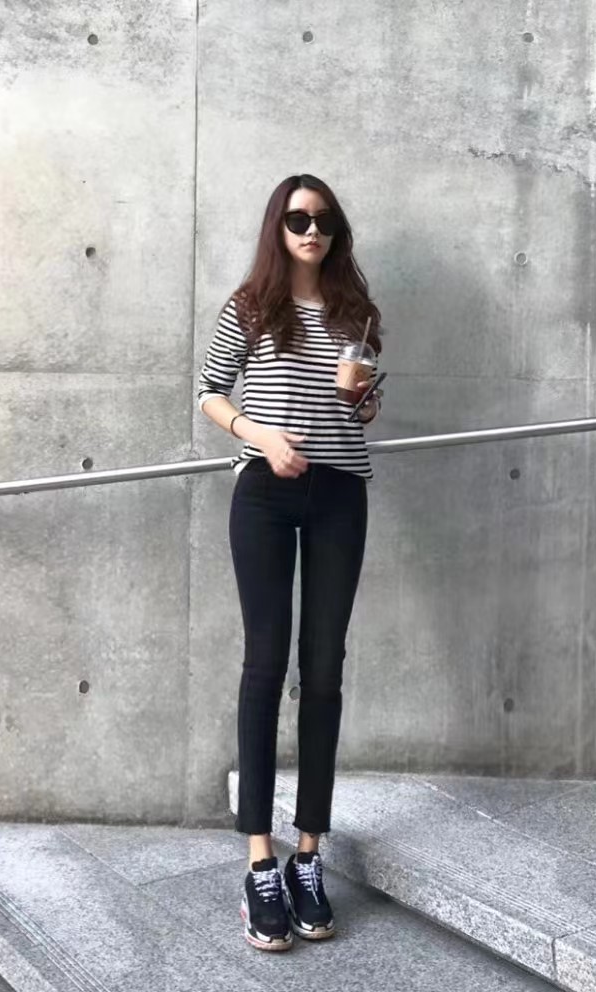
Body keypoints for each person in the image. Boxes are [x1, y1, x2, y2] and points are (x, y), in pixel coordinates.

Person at [196, 174, 383, 952]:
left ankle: (308, 854)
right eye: (299, 219)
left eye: (324, 220)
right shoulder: (249, 306)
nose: (312, 231)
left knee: (324, 668)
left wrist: (359, 395)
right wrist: (261, 436)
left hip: (339, 493)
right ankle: (258, 863)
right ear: (277, 226)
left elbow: (362, 411)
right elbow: (209, 390)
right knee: (264, 664)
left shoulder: (356, 313)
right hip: (264, 497)